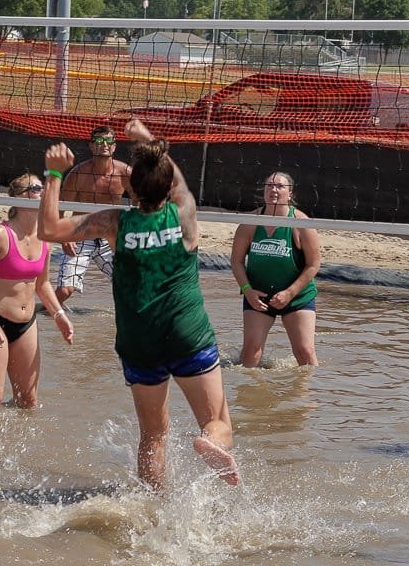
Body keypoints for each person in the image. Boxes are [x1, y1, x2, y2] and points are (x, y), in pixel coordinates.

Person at [40, 119, 237, 487]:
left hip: (138, 340)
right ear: (166, 186)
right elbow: (179, 184)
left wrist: (54, 173)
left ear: (129, 187)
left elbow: (48, 230)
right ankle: (210, 441)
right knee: (218, 421)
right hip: (186, 333)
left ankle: (152, 506)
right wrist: (150, 143)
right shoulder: (185, 215)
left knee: (153, 435)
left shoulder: (116, 223)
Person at [0, 173, 74, 412]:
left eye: (42, 188)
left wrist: (59, 316)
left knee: (27, 401)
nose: (41, 192)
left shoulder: (45, 236)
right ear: (18, 197)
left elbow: (43, 284)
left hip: (27, 324)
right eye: (35, 188)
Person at [232, 172, 322, 367]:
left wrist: (289, 293)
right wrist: (247, 291)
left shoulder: (301, 223)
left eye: (280, 186)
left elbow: (313, 264)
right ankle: (248, 395)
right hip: (259, 295)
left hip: (297, 296)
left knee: (305, 353)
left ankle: (310, 396)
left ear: (290, 194)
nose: (273, 189)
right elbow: (236, 261)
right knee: (250, 354)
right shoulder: (250, 223)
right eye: (269, 186)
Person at [53, 126, 132, 305]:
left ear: (114, 146)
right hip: (80, 235)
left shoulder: (125, 172)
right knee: (65, 291)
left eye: (108, 141)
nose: (103, 144)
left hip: (110, 237)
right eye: (98, 141)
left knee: (133, 284)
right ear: (91, 146)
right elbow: (60, 210)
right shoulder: (78, 174)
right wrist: (65, 238)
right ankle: (34, 315)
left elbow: (141, 204)